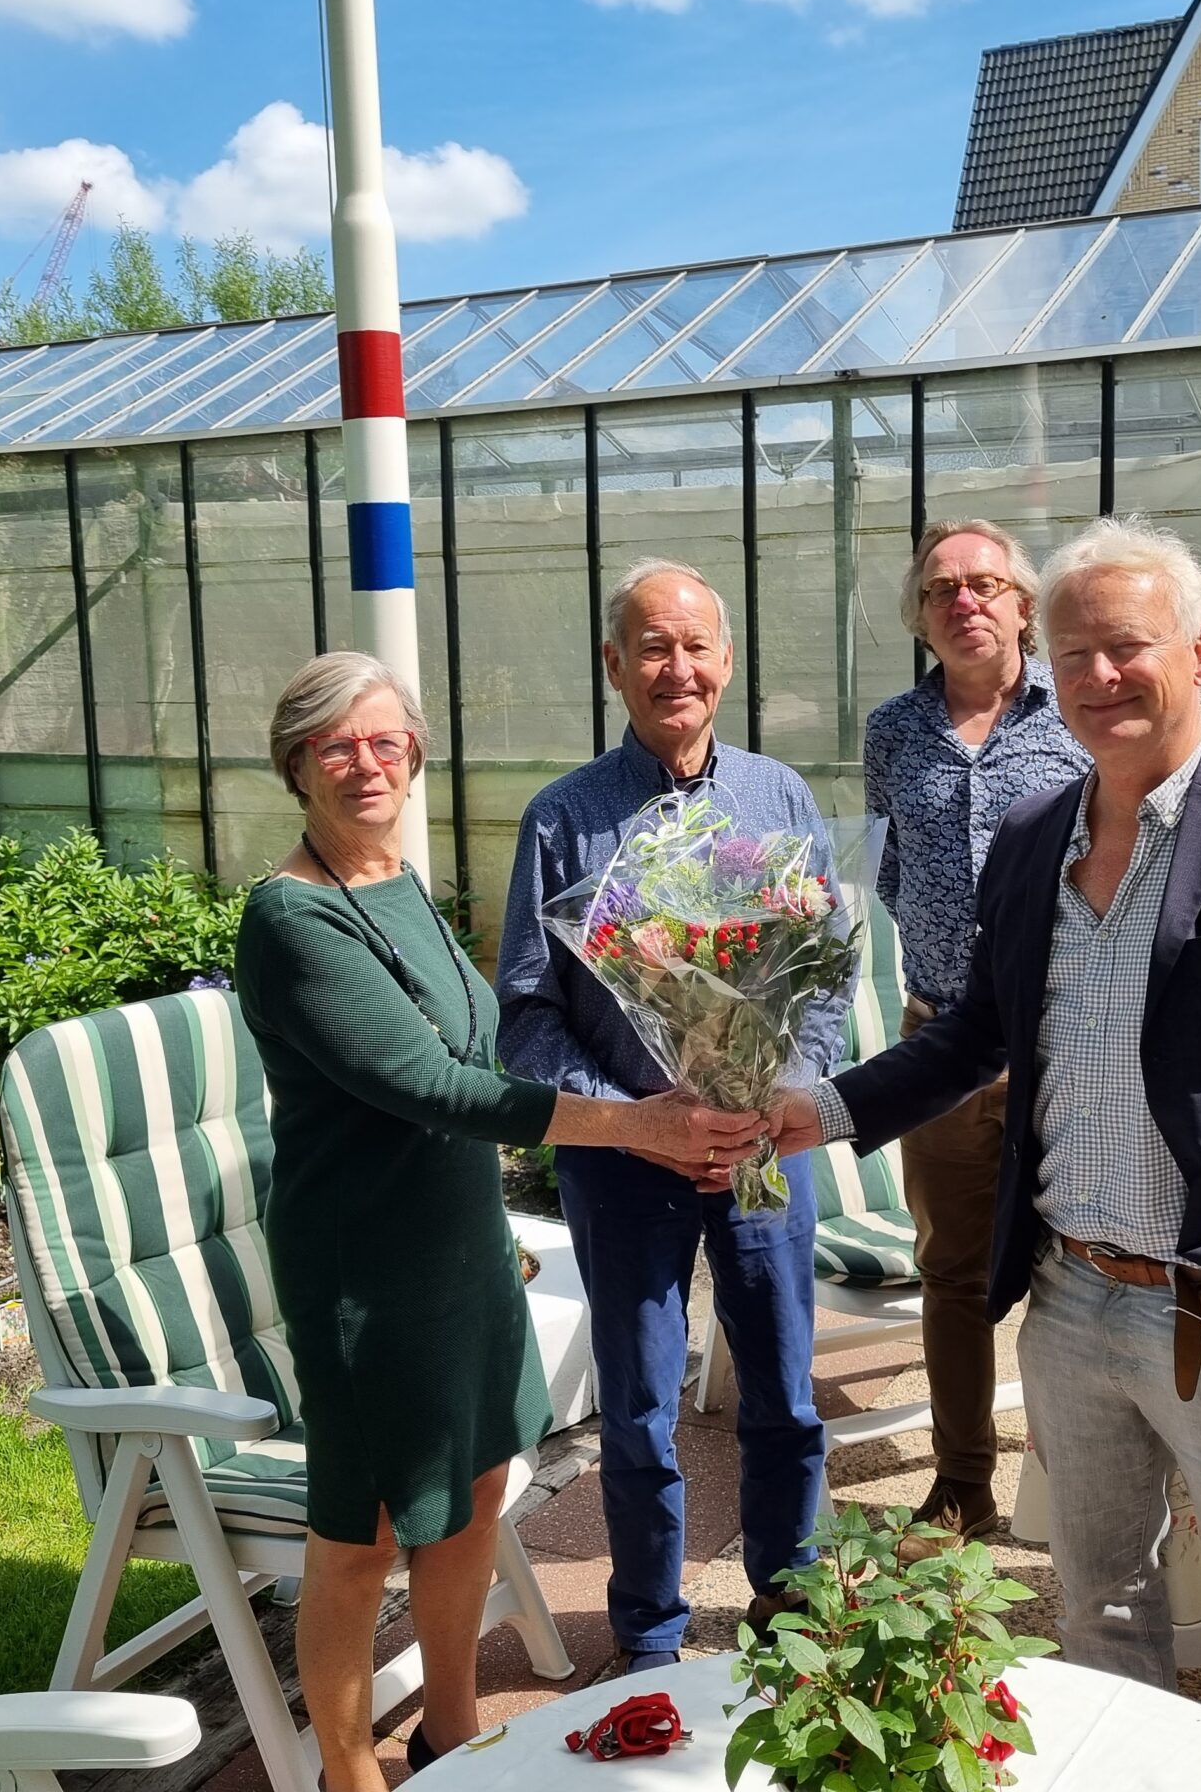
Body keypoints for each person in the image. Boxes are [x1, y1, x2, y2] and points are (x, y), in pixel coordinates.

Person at [767, 517, 1201, 1774]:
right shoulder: (1034, 843)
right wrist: (824, 1109)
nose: (1099, 677)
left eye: (1128, 648)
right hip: (1069, 1304)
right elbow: (973, 1037)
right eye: (1075, 656)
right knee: (1101, 1616)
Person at [234, 651, 763, 1792]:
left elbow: (470, 1040)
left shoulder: (391, 876)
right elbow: (434, 1084)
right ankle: (345, 1770)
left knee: (475, 1490)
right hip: (365, 1268)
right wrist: (633, 1124)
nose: (365, 762)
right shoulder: (292, 917)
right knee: (363, 1529)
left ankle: (450, 1731)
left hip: (459, 1249)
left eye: (385, 740)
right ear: (295, 765)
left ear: (414, 753)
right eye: (337, 744)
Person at [496, 558, 847, 1677]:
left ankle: (787, 1604)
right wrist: (634, 1117)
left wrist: (775, 1098)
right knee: (641, 1411)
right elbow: (525, 1015)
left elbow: (828, 977)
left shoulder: (778, 798)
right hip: (623, 1164)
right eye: (652, 647)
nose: (676, 668)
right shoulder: (563, 817)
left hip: (758, 1155)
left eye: (696, 646)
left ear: (727, 662)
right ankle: (648, 1628)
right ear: (615, 667)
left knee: (784, 1397)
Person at [859, 519, 1088, 1543]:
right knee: (950, 1270)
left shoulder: (1077, 717)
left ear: (1023, 606)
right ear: (919, 614)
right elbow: (889, 868)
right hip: (941, 1040)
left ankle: (1081, 1481)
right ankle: (962, 1486)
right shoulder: (891, 733)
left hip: (1064, 1045)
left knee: (1078, 1267)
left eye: (986, 585)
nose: (965, 603)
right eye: (943, 589)